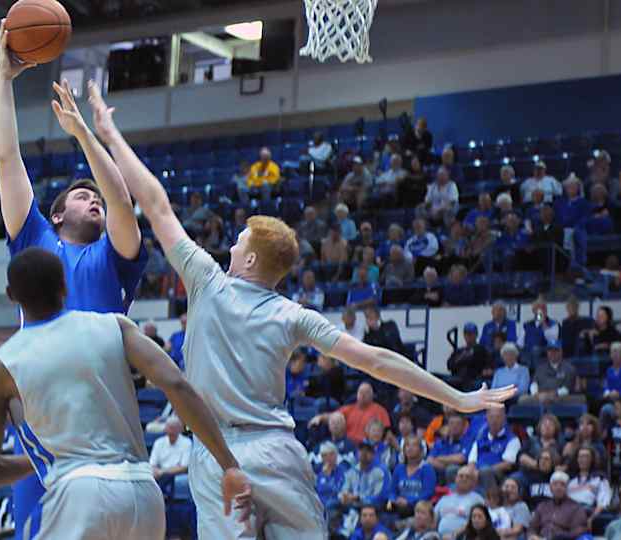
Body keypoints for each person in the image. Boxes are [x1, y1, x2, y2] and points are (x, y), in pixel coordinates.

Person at [86, 80, 515, 538]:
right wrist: (454, 397)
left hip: (218, 455)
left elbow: (154, 203)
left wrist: (110, 134)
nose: (230, 246)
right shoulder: (294, 314)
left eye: (238, 243)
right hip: (276, 450)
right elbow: (377, 360)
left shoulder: (207, 281)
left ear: (250, 259)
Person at [0, 247, 250, 539]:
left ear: (11, 295)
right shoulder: (113, 325)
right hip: (143, 491)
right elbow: (177, 384)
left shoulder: (2, 364)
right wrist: (229, 465)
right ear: (64, 285)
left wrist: (47, 459)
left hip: (79, 491)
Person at [0, 26, 150, 534]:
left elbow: (124, 201)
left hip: (101, 425)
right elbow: (7, 159)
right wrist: (3, 76)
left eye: (98, 197)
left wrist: (84, 134)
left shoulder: (116, 257)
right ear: (57, 215)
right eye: (85, 197)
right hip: (40, 420)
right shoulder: (35, 238)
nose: (97, 200)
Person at [467, 407, 521, 490]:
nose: (494, 420)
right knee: (454, 470)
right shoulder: (480, 438)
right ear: (487, 418)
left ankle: (490, 499)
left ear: (504, 418)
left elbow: (507, 465)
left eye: (498, 417)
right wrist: (472, 472)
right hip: (477, 472)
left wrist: (481, 471)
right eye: (491, 417)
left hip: (498, 475)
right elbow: (472, 461)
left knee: (485, 472)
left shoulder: (512, 439)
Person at [528, 471, 588, 540]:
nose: (558, 488)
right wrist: (532, 536)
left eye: (562, 485)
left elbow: (579, 531)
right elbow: (532, 527)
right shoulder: (542, 506)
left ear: (567, 488)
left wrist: (559, 536)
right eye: (555, 484)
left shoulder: (576, 508)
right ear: (550, 488)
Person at [520, 340, 582, 405]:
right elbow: (534, 384)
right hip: (540, 397)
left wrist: (551, 395)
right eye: (550, 351)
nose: (552, 353)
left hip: (560, 397)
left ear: (561, 352)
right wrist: (536, 394)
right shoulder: (540, 368)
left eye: (555, 350)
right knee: (522, 400)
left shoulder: (569, 368)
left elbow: (567, 388)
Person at [389, 436, 436, 518]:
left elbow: (428, 493)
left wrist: (409, 501)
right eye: (407, 445)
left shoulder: (427, 469)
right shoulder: (399, 468)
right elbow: (392, 491)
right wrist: (395, 499)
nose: (410, 448)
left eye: (414, 445)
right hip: (398, 506)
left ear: (421, 450)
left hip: (417, 508)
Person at [434, 466, 485, 540]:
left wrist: (455, 534)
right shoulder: (444, 499)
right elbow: (433, 519)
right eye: (461, 476)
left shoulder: (477, 499)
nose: (463, 479)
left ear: (473, 482)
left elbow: (477, 523)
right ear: (455, 479)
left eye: (467, 477)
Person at [567, 445, 610, 529]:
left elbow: (603, 503)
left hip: (587, 512)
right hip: (568, 513)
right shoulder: (570, 480)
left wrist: (591, 518)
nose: (583, 460)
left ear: (592, 459)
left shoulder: (600, 479)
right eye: (580, 457)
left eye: (586, 456)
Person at [428, 412, 473, 484]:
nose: (454, 426)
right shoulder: (441, 441)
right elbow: (430, 459)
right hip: (440, 471)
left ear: (464, 426)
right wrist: (446, 464)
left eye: (458, 424)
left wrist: (439, 458)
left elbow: (461, 458)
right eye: (451, 423)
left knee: (451, 469)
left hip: (458, 472)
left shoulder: (468, 440)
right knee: (426, 467)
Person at [448, 323, 493, 392]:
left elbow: (485, 366)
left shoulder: (482, 350)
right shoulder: (459, 351)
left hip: (473, 380)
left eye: (471, 334)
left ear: (476, 335)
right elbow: (450, 365)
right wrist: (460, 358)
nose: (468, 336)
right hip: (457, 379)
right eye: (466, 334)